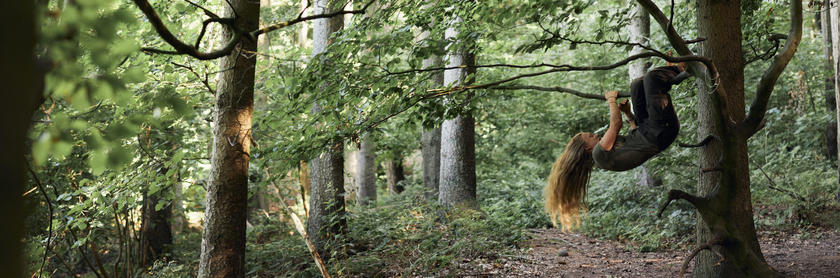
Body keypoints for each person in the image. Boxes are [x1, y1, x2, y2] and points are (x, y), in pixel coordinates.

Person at [544, 64, 686, 229]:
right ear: (586, 148)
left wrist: (627, 113)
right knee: (651, 79)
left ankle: (670, 73)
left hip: (650, 131)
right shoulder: (599, 154)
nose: (596, 135)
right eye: (591, 136)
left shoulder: (605, 155)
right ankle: (679, 68)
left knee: (636, 86)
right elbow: (616, 124)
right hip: (660, 131)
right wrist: (611, 100)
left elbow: (637, 136)